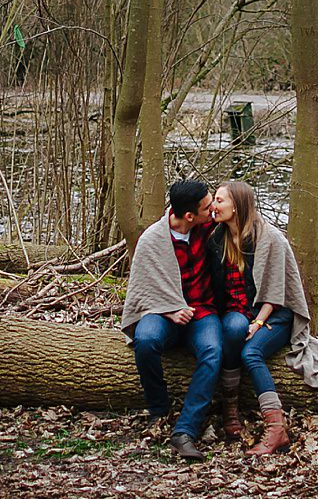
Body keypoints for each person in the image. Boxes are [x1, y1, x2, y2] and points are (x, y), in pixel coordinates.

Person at [208, 179, 318, 455]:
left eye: (220, 201)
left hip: (275, 314)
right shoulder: (216, 238)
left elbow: (276, 292)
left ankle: (276, 427)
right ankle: (230, 411)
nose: (214, 206)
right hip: (238, 312)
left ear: (238, 205)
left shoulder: (270, 239)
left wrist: (258, 323)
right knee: (232, 334)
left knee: (251, 354)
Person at [120, 180, 222, 461]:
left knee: (213, 351)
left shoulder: (209, 228)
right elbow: (141, 289)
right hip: (163, 313)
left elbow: (242, 223)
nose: (212, 208)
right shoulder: (153, 239)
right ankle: (158, 409)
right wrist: (168, 309)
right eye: (207, 206)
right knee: (146, 340)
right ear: (190, 216)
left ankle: (185, 430)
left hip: (202, 311)